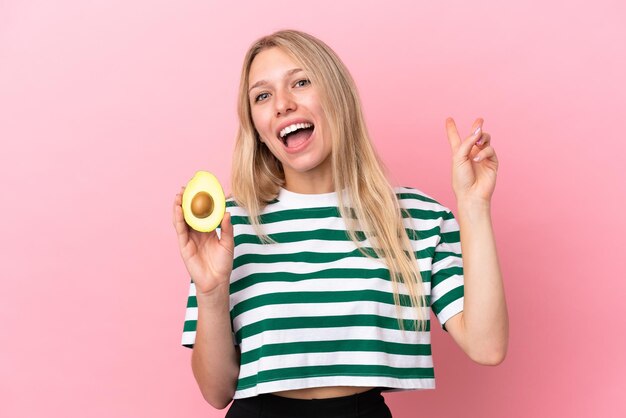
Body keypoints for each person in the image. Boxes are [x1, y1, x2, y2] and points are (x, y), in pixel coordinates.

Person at [173, 29, 508, 418]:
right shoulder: (229, 226)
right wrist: (211, 291)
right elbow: (216, 392)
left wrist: (473, 205)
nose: (282, 104)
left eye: (300, 82)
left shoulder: (417, 217)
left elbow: (487, 347)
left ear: (338, 97)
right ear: (257, 128)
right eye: (262, 96)